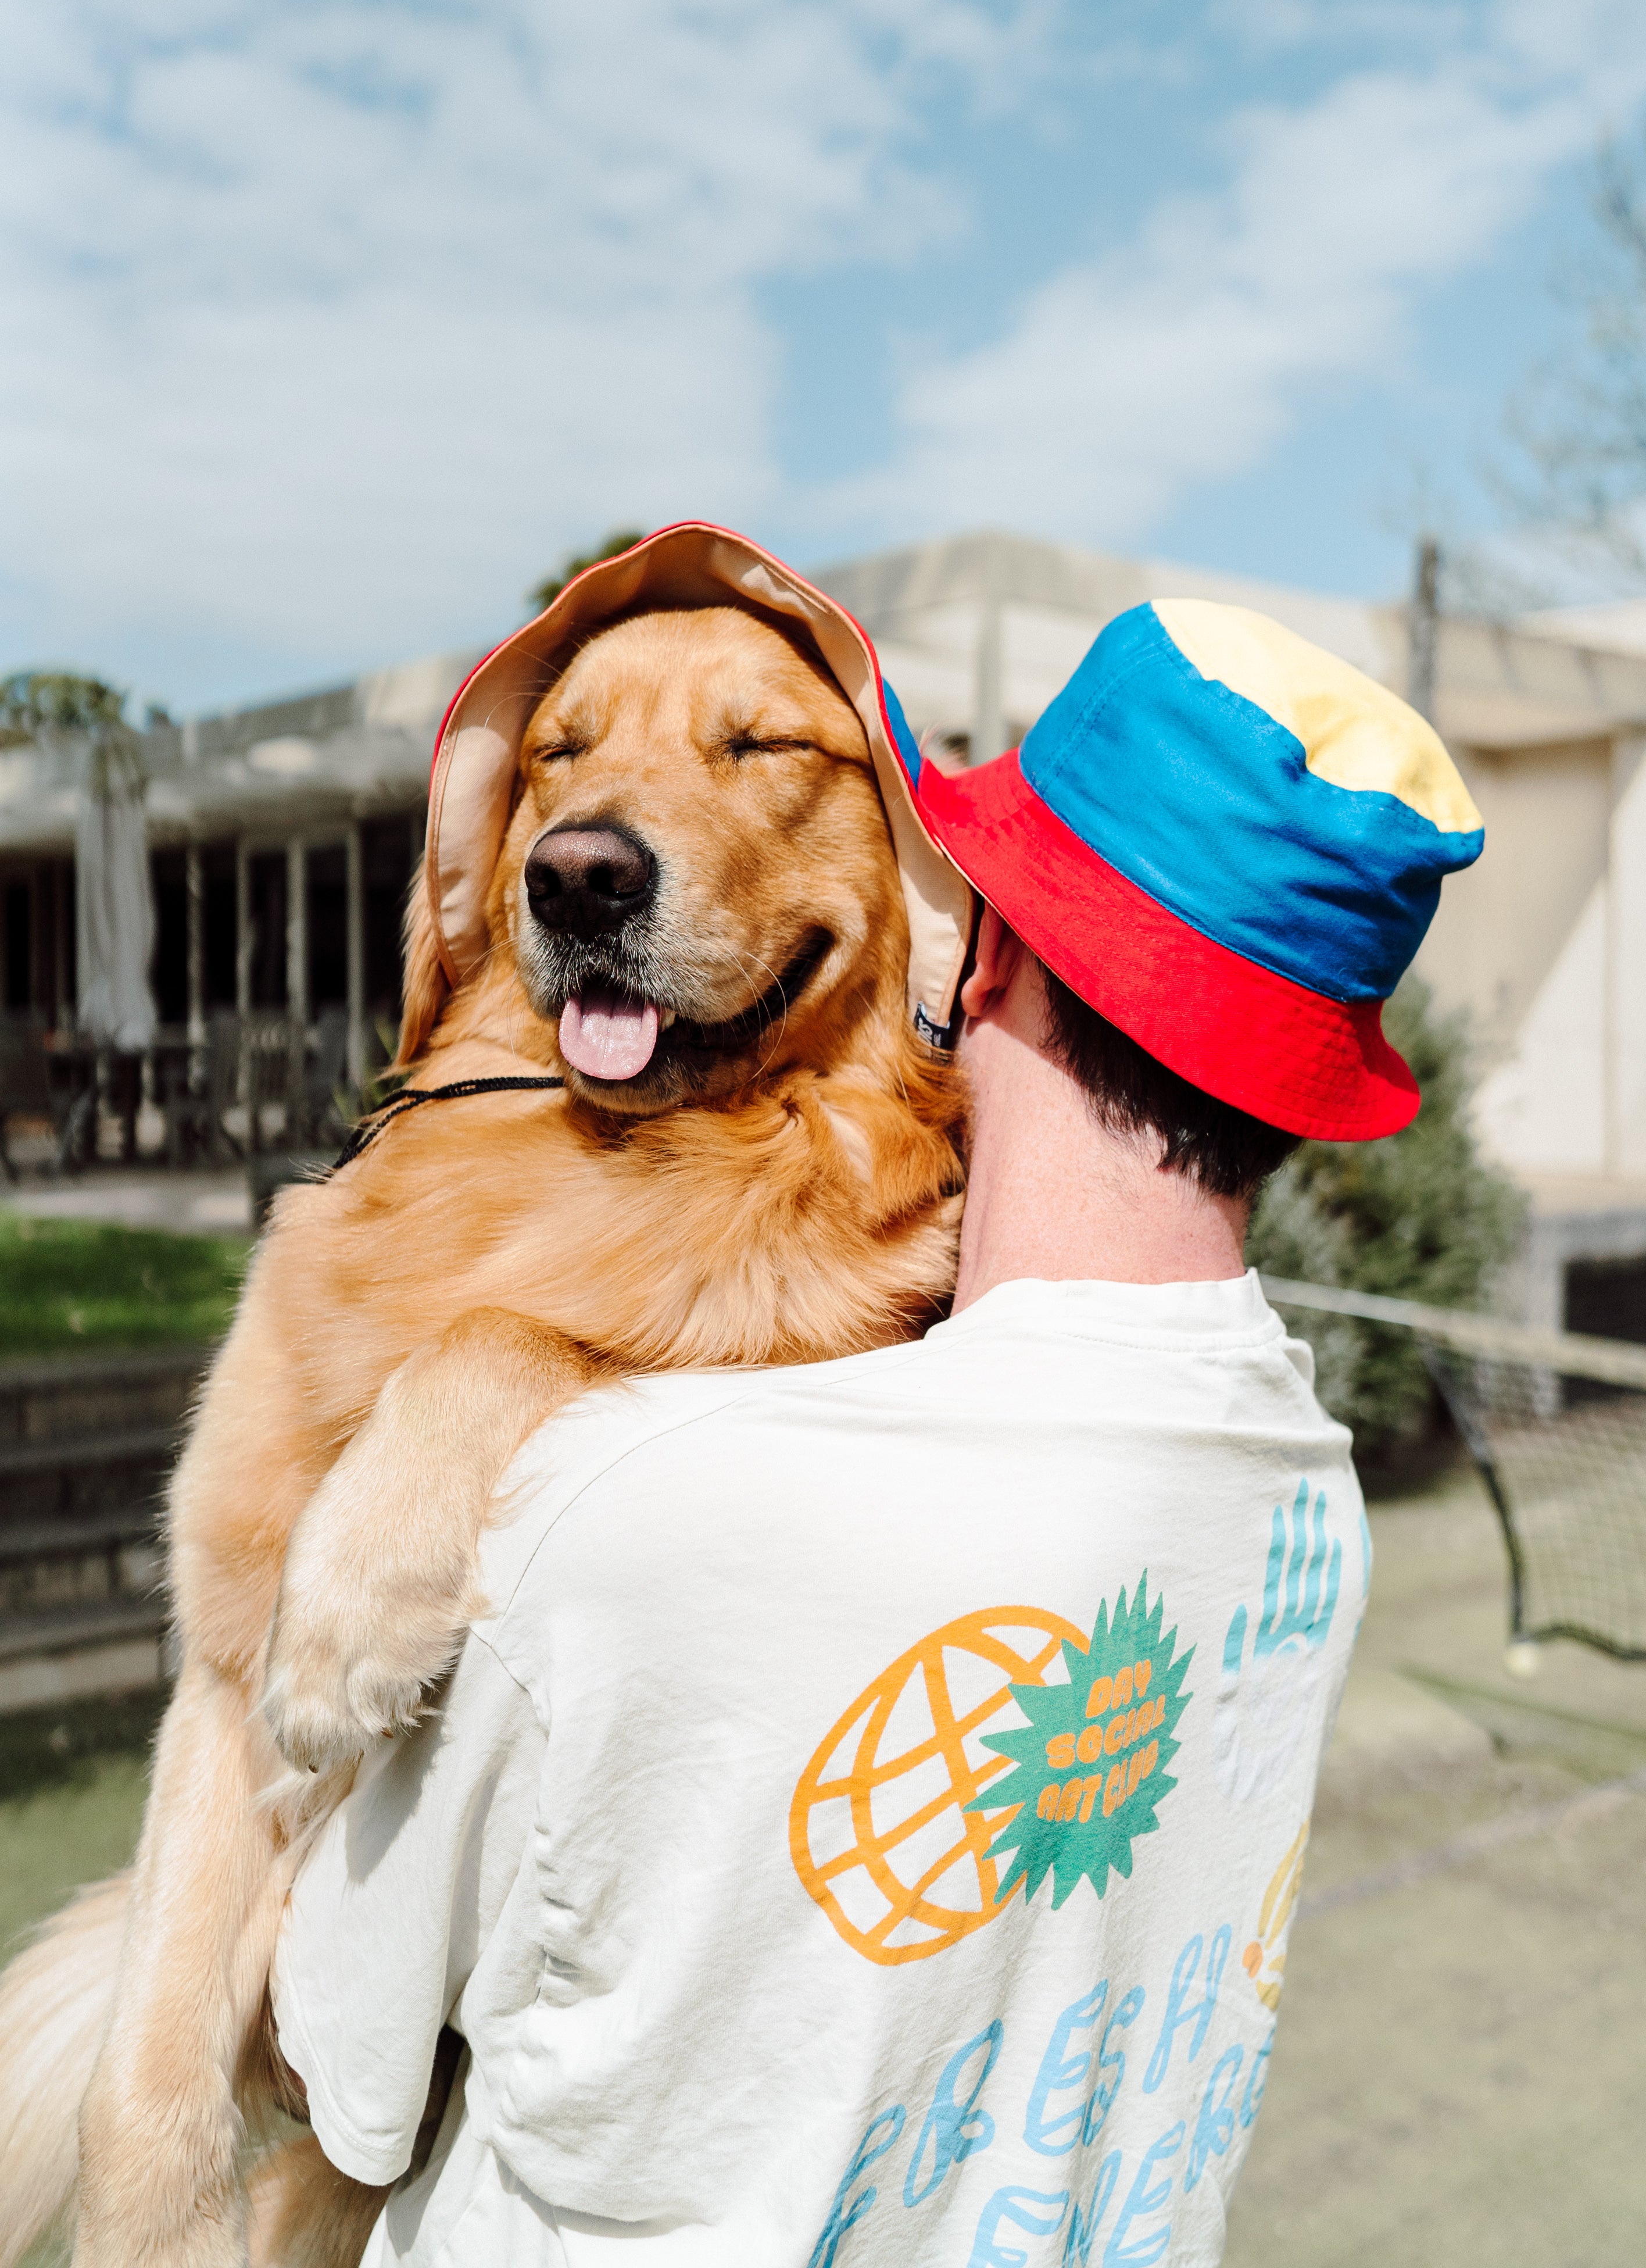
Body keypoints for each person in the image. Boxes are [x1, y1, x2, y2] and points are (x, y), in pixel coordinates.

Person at [271, 580, 1483, 2265]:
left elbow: (337, 2053)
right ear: (1296, 1083)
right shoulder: (1314, 1510)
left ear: (980, 958)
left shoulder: (629, 1504)